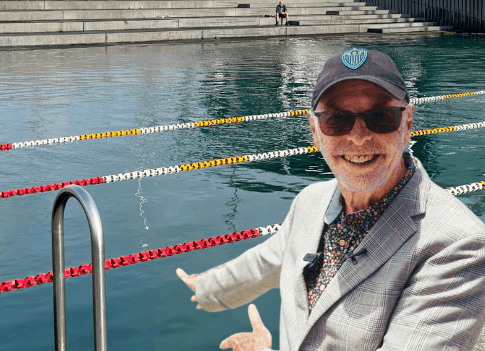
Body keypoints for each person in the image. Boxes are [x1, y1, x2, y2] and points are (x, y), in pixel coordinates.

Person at [176, 48, 485, 351]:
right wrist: (205, 288)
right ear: (315, 131)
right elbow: (271, 260)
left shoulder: (457, 245)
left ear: (406, 124)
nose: (359, 136)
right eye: (336, 119)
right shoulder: (311, 201)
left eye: (380, 117)